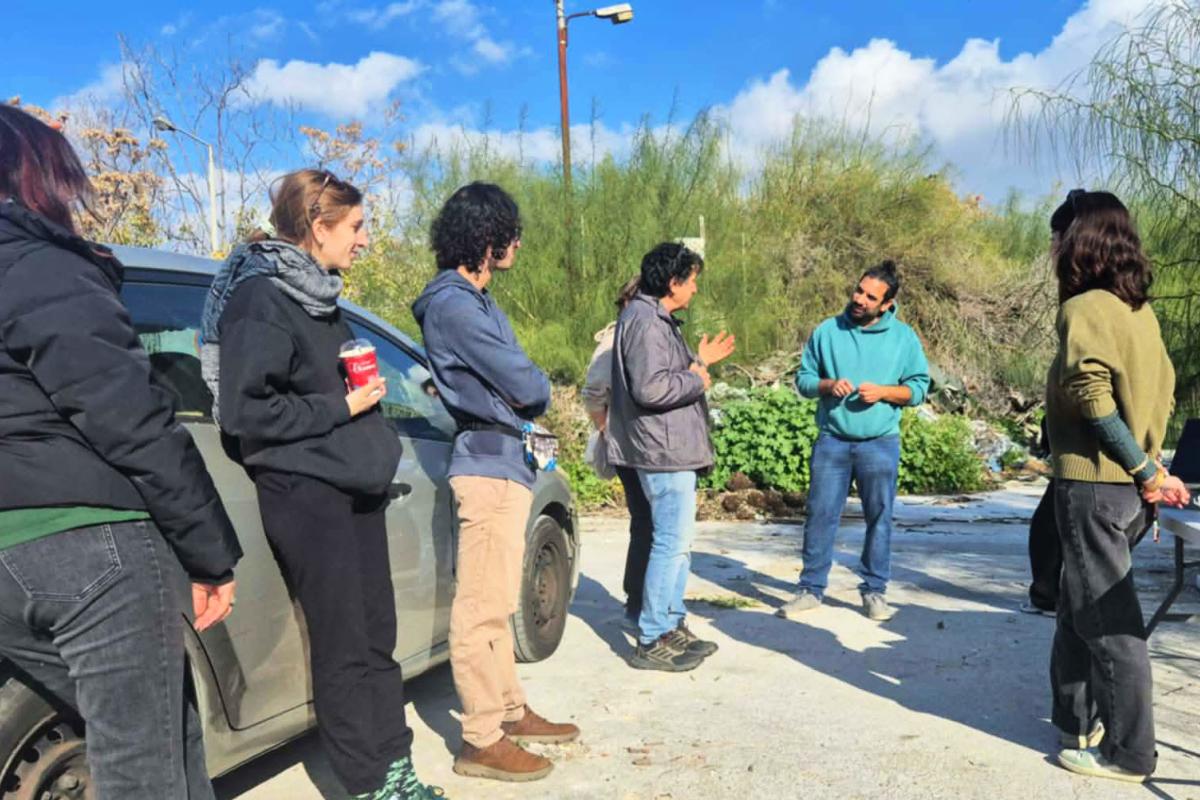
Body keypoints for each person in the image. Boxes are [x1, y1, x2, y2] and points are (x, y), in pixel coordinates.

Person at [0, 104, 241, 798]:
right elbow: (132, 419)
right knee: (144, 766)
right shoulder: (40, 265)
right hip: (85, 548)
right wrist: (208, 553)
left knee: (166, 731)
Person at [210, 169, 441, 800]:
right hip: (307, 493)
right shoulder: (261, 299)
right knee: (344, 645)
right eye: (357, 226)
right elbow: (245, 410)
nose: (364, 240)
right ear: (319, 226)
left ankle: (396, 769)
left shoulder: (318, 297)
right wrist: (343, 407)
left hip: (351, 485)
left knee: (376, 639)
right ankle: (369, 783)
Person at [412, 182, 579, 783]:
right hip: (485, 463)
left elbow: (521, 382)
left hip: (504, 459)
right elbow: (530, 385)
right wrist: (527, 381)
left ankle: (508, 710)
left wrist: (522, 384)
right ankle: (481, 737)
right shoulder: (454, 305)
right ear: (486, 238)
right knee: (482, 605)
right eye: (511, 232)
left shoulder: (477, 301)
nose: (518, 243)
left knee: (500, 599)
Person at [1042, 190, 1189, 783]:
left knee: (1109, 622)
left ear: (1079, 240)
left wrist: (1146, 469)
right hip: (1127, 493)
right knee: (1078, 605)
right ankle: (1075, 722)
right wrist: (1151, 466)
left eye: (1058, 236)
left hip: (1096, 487)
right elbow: (1166, 393)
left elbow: (1094, 400)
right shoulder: (1139, 313)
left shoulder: (1085, 309)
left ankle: (1130, 753)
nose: (1051, 249)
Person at [607, 242, 735, 672]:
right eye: (693, 279)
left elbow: (666, 376)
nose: (696, 289)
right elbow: (651, 388)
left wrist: (698, 362)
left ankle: (670, 621)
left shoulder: (656, 319)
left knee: (677, 545)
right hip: (662, 451)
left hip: (671, 448)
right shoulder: (645, 321)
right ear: (673, 281)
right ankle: (652, 635)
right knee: (670, 543)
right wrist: (697, 378)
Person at [778, 260, 930, 622]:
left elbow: (920, 388)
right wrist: (827, 386)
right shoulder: (827, 331)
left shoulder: (904, 338)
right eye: (858, 290)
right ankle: (810, 589)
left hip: (880, 443)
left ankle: (874, 591)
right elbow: (803, 380)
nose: (859, 298)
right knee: (820, 514)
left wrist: (884, 393)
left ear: (887, 304)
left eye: (870, 296)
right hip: (832, 440)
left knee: (879, 517)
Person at [581, 276, 652, 633]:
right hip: (630, 446)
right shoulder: (613, 341)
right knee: (646, 523)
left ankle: (643, 600)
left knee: (651, 523)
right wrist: (608, 429)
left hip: (647, 444)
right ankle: (638, 601)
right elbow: (593, 391)